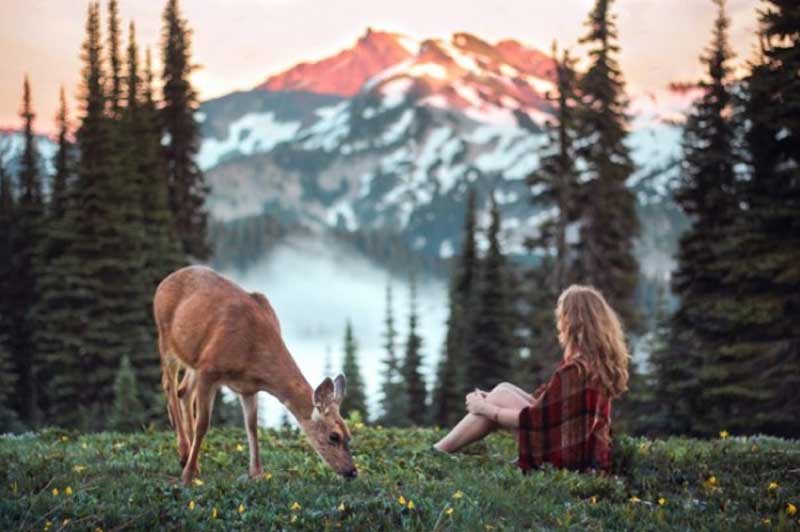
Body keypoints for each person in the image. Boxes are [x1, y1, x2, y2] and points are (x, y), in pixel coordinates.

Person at [433, 285, 629, 474]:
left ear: (573, 321)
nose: (559, 323)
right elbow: (549, 409)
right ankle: (440, 449)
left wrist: (485, 408)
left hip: (566, 459)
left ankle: (437, 451)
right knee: (503, 389)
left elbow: (535, 420)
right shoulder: (596, 363)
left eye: (562, 316)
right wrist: (491, 399)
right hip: (583, 452)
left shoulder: (575, 369)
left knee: (500, 395)